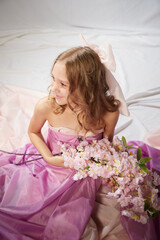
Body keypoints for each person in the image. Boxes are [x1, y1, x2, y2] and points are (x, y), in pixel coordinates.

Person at [0, 43, 159, 240]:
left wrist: (110, 171)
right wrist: (48, 157)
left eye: (63, 84)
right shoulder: (47, 106)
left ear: (86, 87)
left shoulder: (108, 112)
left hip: (89, 171)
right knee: (30, 207)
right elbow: (33, 131)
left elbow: (105, 146)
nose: (54, 88)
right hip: (52, 167)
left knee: (120, 208)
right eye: (53, 79)